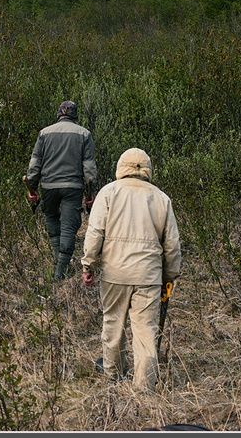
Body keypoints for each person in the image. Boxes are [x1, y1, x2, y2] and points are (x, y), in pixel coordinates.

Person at [81, 147, 182, 392]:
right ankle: (144, 389)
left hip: (115, 273)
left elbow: (95, 232)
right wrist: (169, 276)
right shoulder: (161, 198)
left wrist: (89, 264)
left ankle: (113, 379)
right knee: (146, 333)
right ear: (147, 169)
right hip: (148, 276)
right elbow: (172, 245)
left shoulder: (108, 193)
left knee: (113, 325)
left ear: (121, 167)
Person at [25, 100, 97, 280]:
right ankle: (61, 270)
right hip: (73, 187)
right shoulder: (84, 134)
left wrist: (32, 188)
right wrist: (91, 193)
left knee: (51, 218)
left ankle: (60, 267)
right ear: (74, 115)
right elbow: (89, 168)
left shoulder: (44, 133)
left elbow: (35, 164)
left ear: (59, 114)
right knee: (68, 228)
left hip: (48, 186)